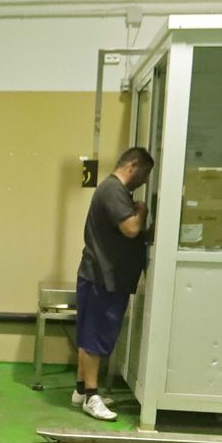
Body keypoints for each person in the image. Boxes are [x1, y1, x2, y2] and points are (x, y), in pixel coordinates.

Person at [73, 146, 154, 420]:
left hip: (105, 277)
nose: (144, 181)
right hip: (102, 277)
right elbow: (130, 228)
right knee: (94, 337)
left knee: (90, 334)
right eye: (145, 173)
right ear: (132, 166)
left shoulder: (115, 191)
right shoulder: (113, 190)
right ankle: (91, 396)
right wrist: (141, 212)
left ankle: (81, 390)